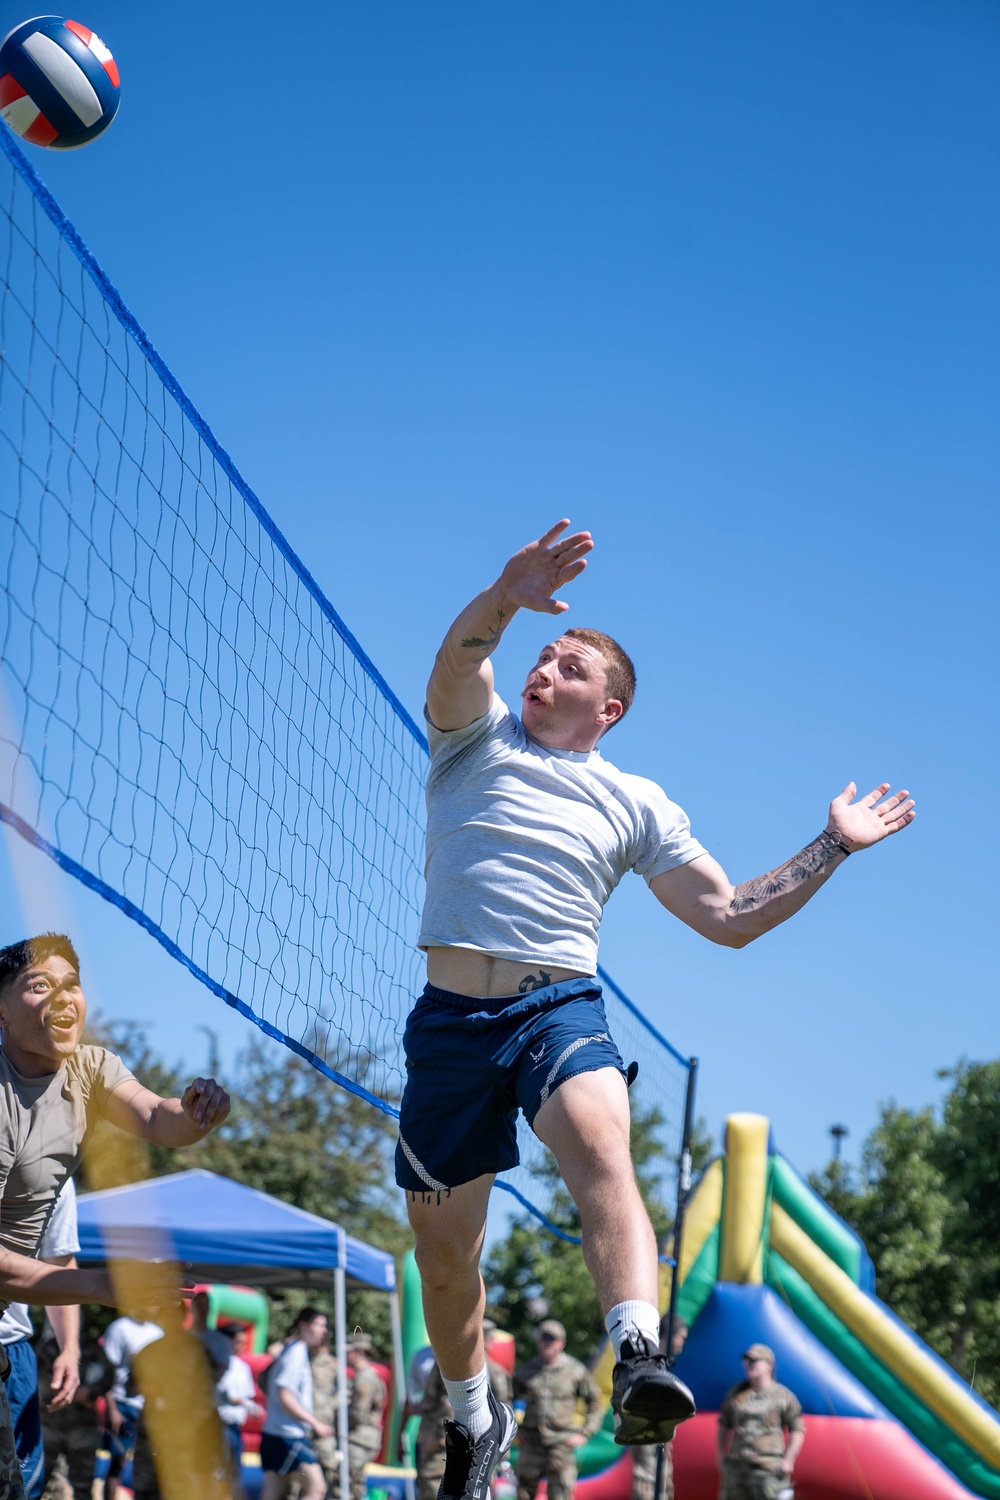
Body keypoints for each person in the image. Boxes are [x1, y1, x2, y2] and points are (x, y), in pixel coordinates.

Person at [395, 520, 915, 1500]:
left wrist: (830, 845)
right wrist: (506, 593)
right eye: (546, 651)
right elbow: (459, 655)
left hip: (557, 1006)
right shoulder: (470, 733)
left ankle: (637, 1351)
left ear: (610, 707)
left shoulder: (635, 801)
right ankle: (472, 1413)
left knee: (599, 1133)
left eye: (572, 661)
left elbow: (726, 918)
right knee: (447, 1261)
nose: (548, 662)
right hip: (449, 1024)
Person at [0, 931, 231, 1500]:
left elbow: (158, 1117)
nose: (62, 996)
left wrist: (196, 1110)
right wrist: (112, 1284)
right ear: (0, 1009)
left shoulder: (90, 1069)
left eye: (72, 984)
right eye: (39, 985)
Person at [0, 1179, 81, 1498]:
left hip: (11, 1351)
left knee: (19, 1486)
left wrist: (70, 1349)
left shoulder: (57, 1170)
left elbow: (58, 1263)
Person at [416, 1322, 511, 1500]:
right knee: (434, 1484)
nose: (485, 1342)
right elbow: (430, 1401)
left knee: (476, 1489)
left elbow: (503, 1407)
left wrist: (504, 1445)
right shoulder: (447, 1364)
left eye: (488, 1337)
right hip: (443, 1439)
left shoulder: (497, 1372)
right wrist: (432, 1433)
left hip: (480, 1444)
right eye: (482, 1336)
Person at [513, 1320, 602, 1500]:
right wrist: (516, 1428)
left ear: (562, 1343)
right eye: (543, 1338)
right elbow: (507, 1397)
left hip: (561, 1442)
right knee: (523, 1493)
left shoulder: (575, 1370)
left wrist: (585, 1433)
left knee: (561, 1493)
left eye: (552, 1339)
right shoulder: (527, 1370)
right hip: (531, 1441)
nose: (547, 1343)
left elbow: (594, 1402)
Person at [260, 1306, 334, 1500]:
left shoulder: (292, 1349)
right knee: (317, 1488)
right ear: (303, 1325)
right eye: (319, 1325)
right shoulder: (296, 1352)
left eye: (324, 1326)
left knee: (273, 1491)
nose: (323, 1330)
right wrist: (315, 1422)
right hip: (288, 1434)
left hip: (274, 1432)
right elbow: (285, 1395)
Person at [717, 1344, 805, 1500]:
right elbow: (724, 1423)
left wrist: (788, 1460)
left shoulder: (783, 1396)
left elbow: (797, 1429)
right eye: (747, 1362)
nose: (749, 1365)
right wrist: (721, 1456)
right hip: (738, 1469)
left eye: (755, 1361)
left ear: (769, 1365)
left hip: (768, 1470)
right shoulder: (737, 1393)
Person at [100, 1315, 164, 1500]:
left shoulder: (157, 1332)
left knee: (147, 1463)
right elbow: (107, 1370)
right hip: (122, 1403)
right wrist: (112, 1408)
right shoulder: (120, 1328)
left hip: (149, 1408)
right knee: (118, 1462)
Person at [631, 1318, 688, 1500]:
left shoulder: (664, 1364)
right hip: (648, 1435)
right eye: (681, 1337)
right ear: (670, 1335)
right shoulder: (648, 1362)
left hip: (661, 1438)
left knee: (664, 1489)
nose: (683, 1343)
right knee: (647, 1487)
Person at [215, 1325, 263, 1498]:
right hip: (217, 1426)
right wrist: (240, 1401)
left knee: (234, 1476)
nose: (241, 1346)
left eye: (243, 1342)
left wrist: (251, 1407)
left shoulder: (242, 1367)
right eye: (237, 1342)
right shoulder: (216, 1362)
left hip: (235, 1428)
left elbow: (247, 1397)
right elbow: (220, 1394)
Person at [347, 1333, 387, 1500]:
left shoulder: (364, 1378)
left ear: (357, 1352)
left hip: (359, 1438)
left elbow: (358, 1413)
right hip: (364, 1437)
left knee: (350, 1484)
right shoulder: (369, 1375)